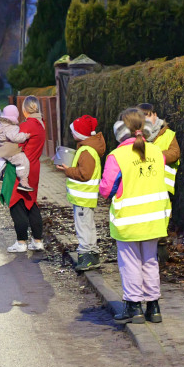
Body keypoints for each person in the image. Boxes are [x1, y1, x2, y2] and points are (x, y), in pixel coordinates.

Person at [99, 108, 171, 324]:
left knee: (130, 263)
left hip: (128, 220)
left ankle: (134, 307)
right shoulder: (157, 152)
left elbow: (106, 189)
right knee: (150, 260)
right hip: (155, 218)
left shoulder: (117, 156)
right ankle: (154, 307)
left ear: (120, 130)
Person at [56, 115, 107, 271]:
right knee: (88, 226)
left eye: (74, 131)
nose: (72, 134)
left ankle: (87, 257)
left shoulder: (86, 150)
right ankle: (92, 254)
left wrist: (68, 170)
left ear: (81, 133)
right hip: (86, 197)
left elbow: (85, 174)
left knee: (84, 227)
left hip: (83, 197)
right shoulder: (88, 148)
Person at [3, 96, 46, 253]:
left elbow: (16, 147)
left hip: (21, 169)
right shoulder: (41, 124)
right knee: (31, 203)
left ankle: (21, 242)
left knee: (16, 204)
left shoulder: (27, 126)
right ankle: (37, 240)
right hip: (34, 168)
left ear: (25, 109)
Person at [139, 102, 180, 195]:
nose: (145, 120)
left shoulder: (168, 134)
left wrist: (155, 157)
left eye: (147, 115)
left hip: (164, 188)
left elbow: (175, 153)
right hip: (142, 187)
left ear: (155, 115)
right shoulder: (136, 136)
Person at [0, 104, 32, 191]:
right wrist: (25, 136)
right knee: (22, 161)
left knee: (6, 161)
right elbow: (16, 138)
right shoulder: (10, 127)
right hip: (9, 150)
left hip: (1, 149)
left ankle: (3, 176)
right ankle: (23, 181)